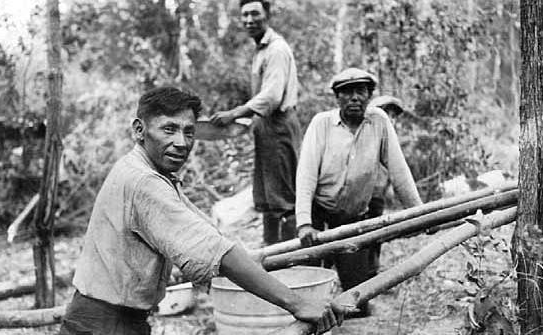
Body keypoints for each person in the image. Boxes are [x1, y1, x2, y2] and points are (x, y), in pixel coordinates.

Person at [58, 87, 347, 335]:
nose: (181, 143)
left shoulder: (148, 172)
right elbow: (215, 251)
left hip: (110, 319)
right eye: (168, 129)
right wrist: (297, 303)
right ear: (139, 130)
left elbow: (204, 228)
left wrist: (247, 257)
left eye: (188, 132)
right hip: (103, 324)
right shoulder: (143, 181)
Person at [295, 68, 423, 316]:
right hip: (318, 213)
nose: (354, 98)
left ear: (369, 95)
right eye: (347, 92)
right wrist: (304, 224)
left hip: (353, 217)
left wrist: (419, 213)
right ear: (337, 98)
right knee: (307, 288)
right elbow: (306, 176)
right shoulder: (321, 124)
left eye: (360, 92)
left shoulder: (379, 122)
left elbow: (399, 172)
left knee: (358, 303)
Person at [210, 0, 301, 245]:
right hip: (265, 126)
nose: (249, 20)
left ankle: (291, 258)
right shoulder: (260, 50)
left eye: (254, 14)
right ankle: (270, 255)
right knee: (266, 197)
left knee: (284, 198)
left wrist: (234, 113)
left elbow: (271, 96)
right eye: (245, 15)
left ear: (267, 15)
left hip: (279, 125)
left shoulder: (276, 49)